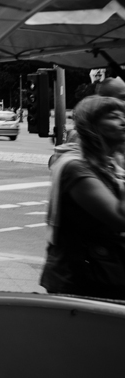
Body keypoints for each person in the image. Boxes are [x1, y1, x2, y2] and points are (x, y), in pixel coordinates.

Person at [41, 95, 125, 301]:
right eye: (114, 117)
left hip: (105, 272)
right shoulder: (76, 167)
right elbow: (118, 217)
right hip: (84, 278)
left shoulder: (108, 163)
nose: (123, 121)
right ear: (92, 125)